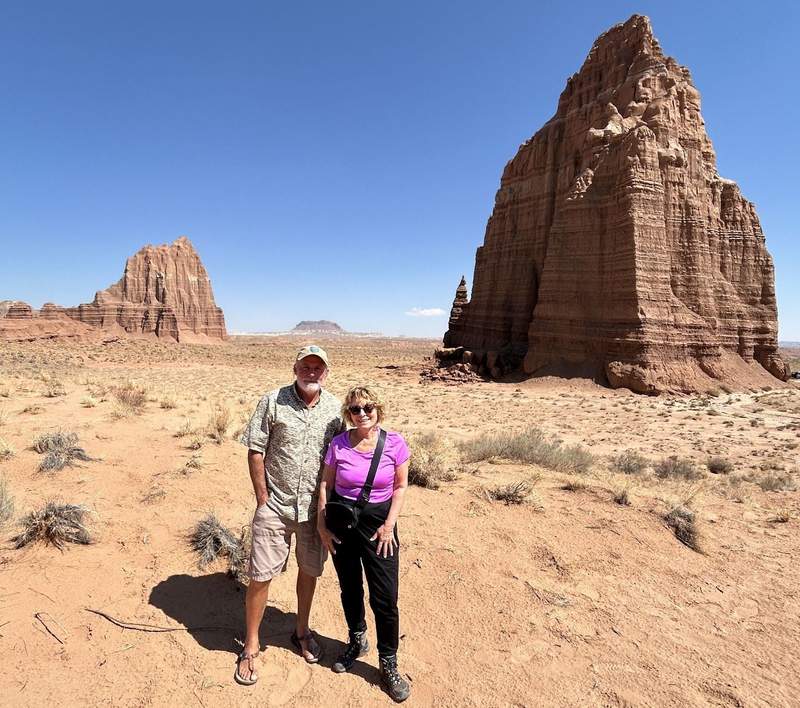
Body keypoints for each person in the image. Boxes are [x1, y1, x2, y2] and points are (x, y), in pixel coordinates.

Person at [235, 345, 342, 685]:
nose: (311, 372)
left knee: (309, 571)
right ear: (294, 368)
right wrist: (262, 497)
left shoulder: (337, 409)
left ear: (325, 372)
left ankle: (301, 630)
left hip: (316, 510)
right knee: (261, 574)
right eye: (305, 366)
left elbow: (345, 456)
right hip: (276, 507)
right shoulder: (272, 400)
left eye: (318, 368)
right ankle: (251, 643)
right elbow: (255, 449)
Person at [317, 385, 411, 703]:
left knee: (385, 598)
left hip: (379, 526)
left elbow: (400, 486)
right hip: (343, 524)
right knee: (351, 588)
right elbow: (326, 484)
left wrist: (389, 526)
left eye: (368, 407)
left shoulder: (394, 443)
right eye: (355, 409)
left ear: (378, 409)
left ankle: (388, 663)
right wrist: (321, 525)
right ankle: (356, 639)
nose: (362, 414)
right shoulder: (339, 444)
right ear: (348, 413)